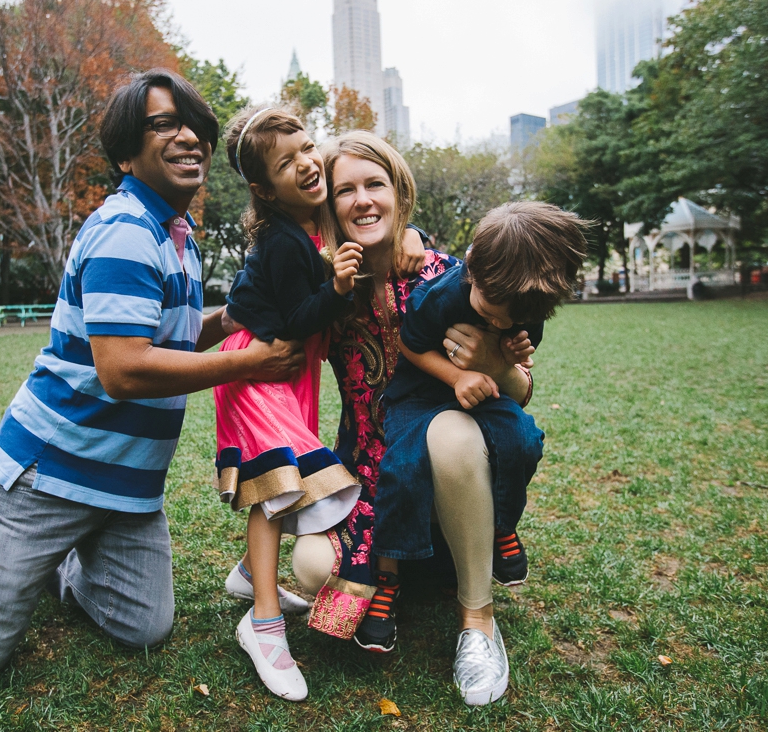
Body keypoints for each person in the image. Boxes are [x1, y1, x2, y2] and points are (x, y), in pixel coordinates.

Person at [0, 69, 304, 688]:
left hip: (125, 489)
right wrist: (251, 361)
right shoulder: (126, 232)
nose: (187, 136)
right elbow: (125, 370)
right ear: (125, 153)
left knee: (144, 625)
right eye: (163, 124)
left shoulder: (176, 233)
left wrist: (230, 321)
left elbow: (163, 341)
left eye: (194, 124)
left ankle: (50, 568)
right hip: (50, 476)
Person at [285, 131, 546, 706]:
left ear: (399, 193)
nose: (362, 201)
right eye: (345, 190)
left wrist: (489, 364)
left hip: (449, 466)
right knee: (309, 568)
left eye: (375, 184)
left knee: (448, 432)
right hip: (369, 478)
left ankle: (477, 618)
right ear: (330, 207)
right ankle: (424, 566)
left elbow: (520, 393)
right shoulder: (328, 290)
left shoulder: (452, 278)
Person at [214, 107, 427, 701]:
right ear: (264, 187)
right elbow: (293, 321)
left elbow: (384, 215)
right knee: (277, 484)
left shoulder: (318, 221)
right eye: (288, 163)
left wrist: (411, 234)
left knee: (283, 477)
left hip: (291, 373)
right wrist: (336, 288)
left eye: (308, 148)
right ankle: (263, 625)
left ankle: (247, 574)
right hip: (261, 367)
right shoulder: (284, 240)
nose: (307, 163)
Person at [359, 202, 588, 705]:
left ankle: (500, 525)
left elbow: (518, 371)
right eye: (489, 307)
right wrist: (458, 376)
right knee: (401, 467)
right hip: (421, 396)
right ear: (472, 265)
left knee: (523, 439)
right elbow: (410, 346)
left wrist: (504, 360)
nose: (498, 318)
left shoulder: (522, 303)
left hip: (488, 392)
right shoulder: (442, 293)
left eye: (513, 317)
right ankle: (388, 578)